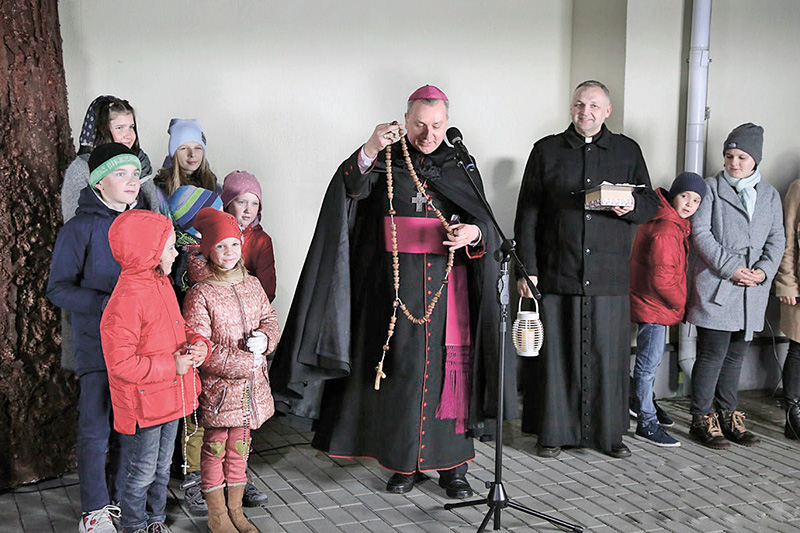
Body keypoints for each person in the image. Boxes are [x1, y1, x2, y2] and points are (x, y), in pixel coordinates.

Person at [271, 84, 514, 499]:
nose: (428, 134)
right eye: (419, 124)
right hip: (392, 291)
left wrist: (473, 232)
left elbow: (487, 224)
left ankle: (452, 468)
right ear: (405, 121)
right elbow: (347, 192)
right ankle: (404, 462)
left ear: (447, 123)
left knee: (447, 375)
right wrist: (367, 148)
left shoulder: (460, 163)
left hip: (447, 292)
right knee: (401, 373)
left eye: (437, 125)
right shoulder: (383, 159)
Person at [514, 80, 658, 459]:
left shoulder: (627, 150)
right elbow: (528, 213)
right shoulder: (546, 150)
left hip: (609, 275)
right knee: (556, 358)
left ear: (607, 110)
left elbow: (650, 204)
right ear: (571, 108)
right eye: (579, 105)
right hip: (558, 269)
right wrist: (527, 269)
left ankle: (609, 436)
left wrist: (630, 207)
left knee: (608, 357)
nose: (586, 112)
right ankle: (552, 434)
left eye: (594, 105)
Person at [47, 143, 144, 532]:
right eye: (121, 174)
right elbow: (58, 288)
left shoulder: (143, 222)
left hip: (137, 347)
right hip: (97, 346)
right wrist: (106, 303)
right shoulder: (79, 228)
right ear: (98, 182)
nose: (131, 181)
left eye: (135, 174)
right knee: (95, 427)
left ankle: (119, 500)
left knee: (129, 426)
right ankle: (94, 510)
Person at [101, 209, 209, 533]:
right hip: (145, 406)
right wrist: (171, 365)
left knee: (162, 469)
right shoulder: (126, 300)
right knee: (142, 471)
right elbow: (120, 364)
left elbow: (179, 329)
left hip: (169, 398)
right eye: (170, 246)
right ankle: (134, 525)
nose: (176, 253)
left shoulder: (161, 285)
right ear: (148, 250)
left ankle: (155, 520)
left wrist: (199, 342)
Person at [182, 207, 280, 533]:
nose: (228, 252)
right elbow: (201, 347)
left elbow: (269, 318)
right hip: (220, 392)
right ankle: (217, 516)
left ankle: (236, 510)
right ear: (209, 249)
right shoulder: (201, 293)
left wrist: (265, 339)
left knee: (240, 449)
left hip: (251, 390)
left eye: (234, 245)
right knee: (214, 450)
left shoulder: (251, 284)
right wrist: (244, 362)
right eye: (220, 246)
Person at [687, 123, 784, 449]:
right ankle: (702, 417)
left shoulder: (769, 195)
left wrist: (763, 271)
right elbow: (701, 235)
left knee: (735, 357)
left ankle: (728, 414)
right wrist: (733, 269)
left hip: (751, 292)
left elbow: (777, 239)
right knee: (712, 354)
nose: (734, 162)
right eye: (729, 155)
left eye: (742, 156)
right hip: (718, 287)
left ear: (755, 159)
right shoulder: (710, 188)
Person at [629, 172, 706, 448]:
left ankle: (642, 403)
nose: (689, 203)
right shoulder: (667, 229)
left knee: (647, 363)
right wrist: (679, 303)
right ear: (674, 194)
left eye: (696, 200)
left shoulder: (670, 222)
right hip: (655, 305)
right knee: (648, 366)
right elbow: (662, 278)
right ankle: (646, 421)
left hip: (651, 303)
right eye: (685, 196)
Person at [62, 95, 165, 221]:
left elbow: (154, 209)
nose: (128, 135)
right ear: (101, 131)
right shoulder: (82, 168)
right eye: (119, 128)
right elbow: (73, 220)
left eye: (131, 127)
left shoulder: (139, 161)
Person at [221, 171, 277, 302]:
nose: (248, 209)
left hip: (250, 309)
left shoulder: (261, 241)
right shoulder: (215, 235)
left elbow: (267, 288)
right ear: (227, 204)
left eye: (254, 203)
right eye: (242, 202)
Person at [775, 176, 800, 440]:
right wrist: (787, 283)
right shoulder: (798, 187)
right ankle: (793, 414)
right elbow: (788, 238)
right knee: (799, 346)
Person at [153, 118, 218, 208]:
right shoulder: (158, 191)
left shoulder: (215, 187)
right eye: (183, 148)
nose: (192, 154)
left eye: (198, 148)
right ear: (174, 154)